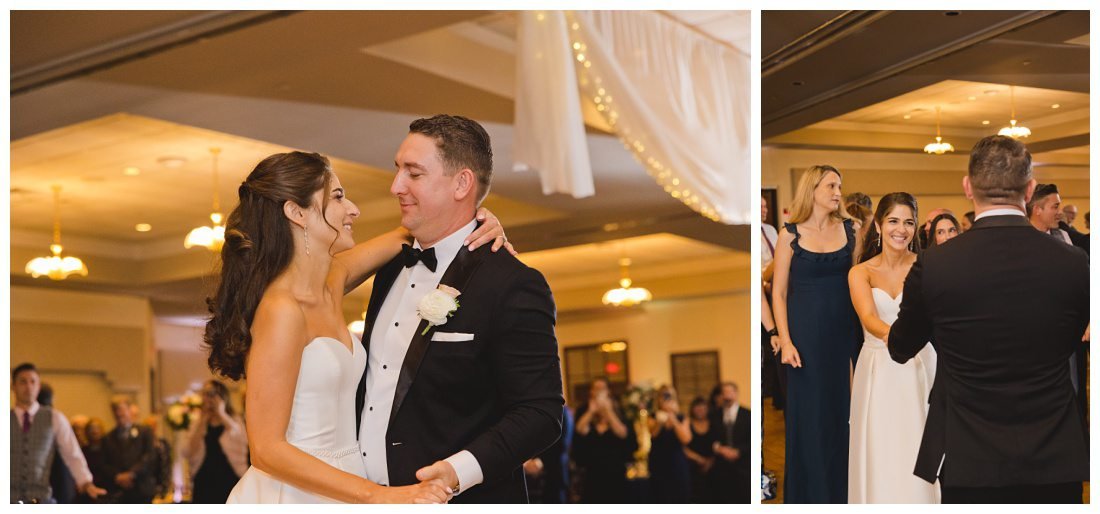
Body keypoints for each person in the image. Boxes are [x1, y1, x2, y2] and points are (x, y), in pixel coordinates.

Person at [204, 150, 509, 503]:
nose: (353, 209)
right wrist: (380, 496)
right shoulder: (281, 309)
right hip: (295, 494)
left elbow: (408, 236)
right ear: (296, 212)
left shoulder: (331, 280)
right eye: (337, 197)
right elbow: (266, 449)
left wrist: (476, 222)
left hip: (347, 479)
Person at [354, 114, 564, 503]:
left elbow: (540, 412)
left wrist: (457, 472)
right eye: (398, 169)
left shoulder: (512, 283)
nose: (395, 185)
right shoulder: (388, 270)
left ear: (462, 183)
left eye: (413, 173)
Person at [888, 135, 1089, 503]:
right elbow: (1076, 333)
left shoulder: (934, 265)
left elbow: (900, 348)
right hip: (1055, 453)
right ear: (1029, 190)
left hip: (970, 456)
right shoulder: (1075, 263)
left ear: (968, 188)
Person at [770, 165, 860, 503]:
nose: (838, 192)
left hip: (844, 334)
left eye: (840, 186)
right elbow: (778, 293)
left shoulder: (851, 229)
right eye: (831, 186)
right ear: (813, 189)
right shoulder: (788, 234)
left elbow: (858, 282)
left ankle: (844, 495)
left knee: (844, 414)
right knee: (810, 418)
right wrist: (787, 341)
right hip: (804, 340)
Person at [847, 193, 938, 503]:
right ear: (878, 224)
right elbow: (870, 319)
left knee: (920, 440)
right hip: (879, 368)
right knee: (882, 445)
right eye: (894, 221)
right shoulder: (860, 272)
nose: (901, 229)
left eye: (909, 222)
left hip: (922, 365)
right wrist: (904, 340)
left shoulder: (926, 266)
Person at [10, 363, 107, 504]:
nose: (28, 387)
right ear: (13, 386)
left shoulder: (55, 418)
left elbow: (72, 453)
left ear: (38, 386)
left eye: (33, 382)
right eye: (23, 382)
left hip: (41, 498)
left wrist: (86, 482)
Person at [571, 378, 637, 503]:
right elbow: (580, 430)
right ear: (591, 392)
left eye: (602, 388)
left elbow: (623, 433)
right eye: (596, 388)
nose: (598, 392)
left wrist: (608, 410)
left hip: (615, 472)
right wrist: (591, 411)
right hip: (591, 473)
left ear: (608, 391)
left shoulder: (619, 410)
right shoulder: (584, 410)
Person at [183, 380, 248, 503]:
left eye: (212, 394)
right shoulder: (198, 422)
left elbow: (241, 440)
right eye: (205, 394)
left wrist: (221, 413)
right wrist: (202, 420)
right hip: (204, 479)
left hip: (229, 477)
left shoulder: (233, 420)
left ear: (222, 396)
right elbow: (188, 451)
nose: (208, 398)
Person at [646, 385, 692, 503]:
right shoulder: (653, 416)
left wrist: (673, 417)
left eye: (669, 395)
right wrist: (661, 419)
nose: (667, 399)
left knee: (680, 496)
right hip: (658, 462)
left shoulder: (681, 417)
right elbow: (653, 434)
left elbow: (686, 439)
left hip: (677, 462)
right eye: (664, 395)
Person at [707, 382, 750, 503]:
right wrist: (719, 449)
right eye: (724, 392)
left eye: (730, 392)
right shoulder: (714, 415)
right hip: (722, 469)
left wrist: (739, 451)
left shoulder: (748, 415)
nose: (727, 396)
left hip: (744, 469)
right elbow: (710, 438)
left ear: (736, 394)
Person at [684, 397, 715, 503]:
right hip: (692, 466)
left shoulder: (714, 423)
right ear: (693, 409)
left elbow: (719, 443)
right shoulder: (687, 423)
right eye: (697, 408)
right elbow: (683, 447)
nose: (700, 410)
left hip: (713, 465)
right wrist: (698, 459)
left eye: (703, 408)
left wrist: (710, 461)